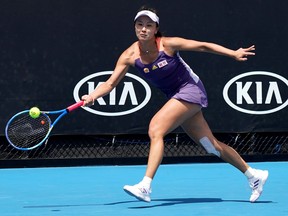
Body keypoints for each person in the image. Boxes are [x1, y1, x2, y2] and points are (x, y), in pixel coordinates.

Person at [81, 6, 268, 203]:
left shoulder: (168, 45)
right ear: (135, 27)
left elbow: (203, 46)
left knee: (156, 129)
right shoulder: (129, 55)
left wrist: (232, 53)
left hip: (190, 89)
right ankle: (253, 175)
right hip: (176, 95)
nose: (143, 29)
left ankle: (145, 185)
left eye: (148, 25)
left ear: (156, 29)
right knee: (211, 146)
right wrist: (92, 96)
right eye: (139, 25)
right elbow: (110, 83)